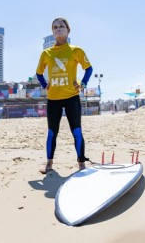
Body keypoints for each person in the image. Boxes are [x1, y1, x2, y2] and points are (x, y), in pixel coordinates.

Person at [36, 17, 93, 174]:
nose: (58, 28)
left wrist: (83, 84)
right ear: (53, 32)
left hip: (72, 98)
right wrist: (44, 85)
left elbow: (89, 69)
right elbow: (39, 73)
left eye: (61, 26)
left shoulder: (76, 50)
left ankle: (81, 164)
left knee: (76, 131)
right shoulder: (46, 53)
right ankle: (49, 164)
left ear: (68, 30)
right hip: (53, 99)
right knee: (51, 132)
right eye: (55, 27)